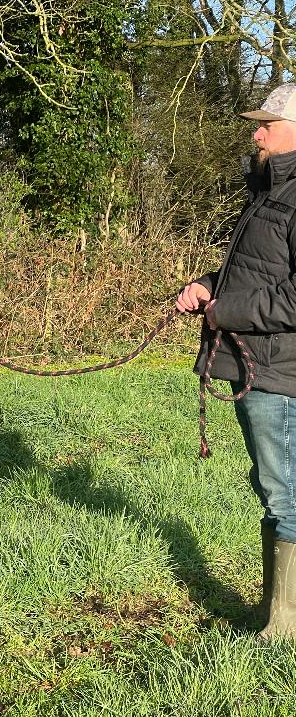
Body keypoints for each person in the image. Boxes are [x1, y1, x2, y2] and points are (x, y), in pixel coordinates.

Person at [176, 83, 296, 643]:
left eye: (266, 124)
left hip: (283, 371)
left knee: (286, 495)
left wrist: (228, 311)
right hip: (260, 366)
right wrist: (207, 287)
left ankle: (284, 628)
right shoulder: (267, 192)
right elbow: (257, 273)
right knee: (274, 489)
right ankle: (277, 614)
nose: (256, 132)